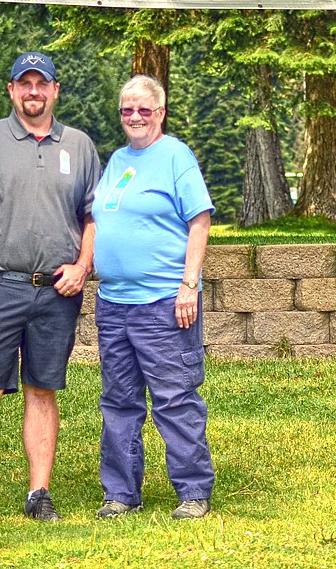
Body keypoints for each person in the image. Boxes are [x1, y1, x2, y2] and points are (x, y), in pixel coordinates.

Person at [0, 52, 100, 529]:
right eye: (24, 83)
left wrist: (83, 265)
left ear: (55, 90)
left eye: (41, 83)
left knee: (42, 390)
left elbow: (94, 215)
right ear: (11, 90)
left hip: (56, 291)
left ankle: (39, 492)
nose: (33, 92)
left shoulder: (79, 144)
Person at [89, 74, 216, 521]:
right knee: (119, 401)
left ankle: (194, 491)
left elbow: (199, 220)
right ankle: (121, 494)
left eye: (145, 109)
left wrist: (189, 285)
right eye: (127, 110)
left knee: (174, 397)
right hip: (114, 303)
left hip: (163, 301)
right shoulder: (119, 159)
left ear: (160, 113)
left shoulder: (175, 155)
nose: (135, 117)